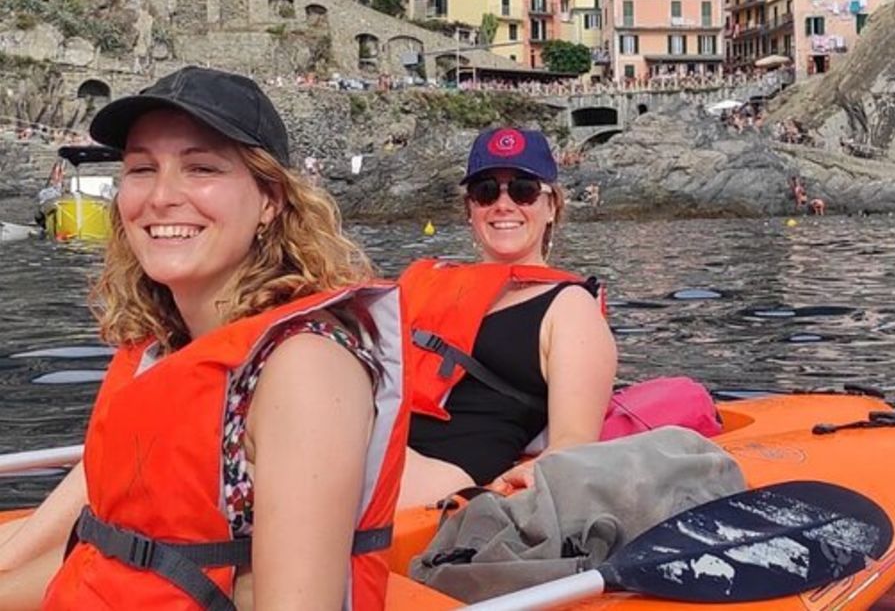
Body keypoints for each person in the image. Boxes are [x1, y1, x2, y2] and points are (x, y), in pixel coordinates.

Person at [0, 67, 406, 610]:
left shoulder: (304, 367)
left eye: (201, 168)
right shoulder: (161, 346)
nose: (163, 196)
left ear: (270, 200)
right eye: (142, 168)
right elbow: (107, 548)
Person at [397, 127, 616, 507]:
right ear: (470, 210)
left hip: (439, 473)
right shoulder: (433, 283)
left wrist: (522, 481)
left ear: (551, 208)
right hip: (379, 442)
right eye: (485, 192)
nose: (503, 204)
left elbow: (573, 441)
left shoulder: (569, 307)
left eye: (523, 190)